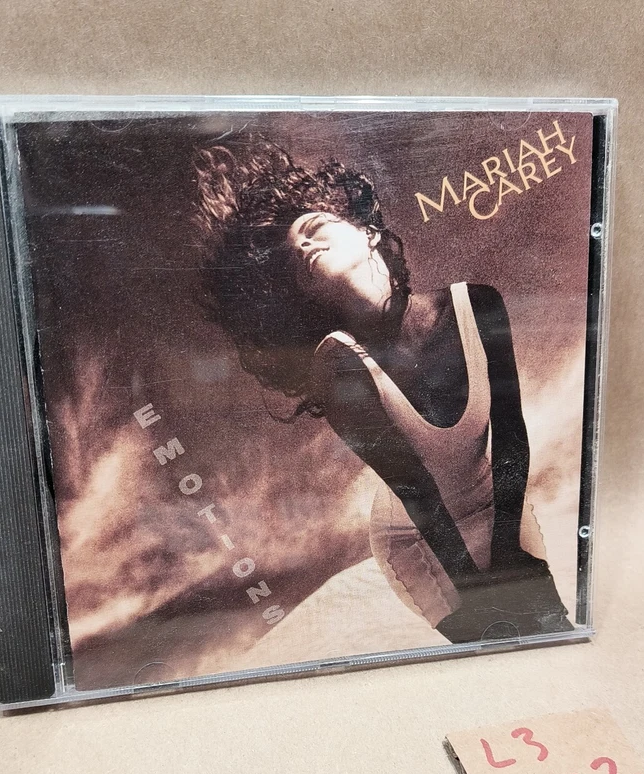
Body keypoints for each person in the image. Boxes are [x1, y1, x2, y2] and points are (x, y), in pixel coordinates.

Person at [194, 138, 573, 643]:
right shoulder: (339, 365)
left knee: (548, 623)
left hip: (496, 504)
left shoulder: (476, 305)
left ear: (368, 230)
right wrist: (477, 590)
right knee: (486, 638)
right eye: (292, 259)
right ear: (301, 296)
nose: (304, 247)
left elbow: (510, 436)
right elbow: (418, 495)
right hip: (420, 538)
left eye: (313, 228)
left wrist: (509, 555)